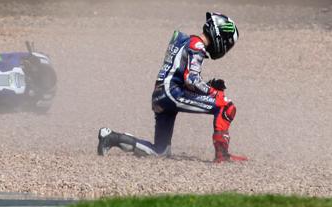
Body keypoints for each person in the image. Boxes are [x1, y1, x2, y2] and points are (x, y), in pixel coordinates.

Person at [97, 12, 247, 162]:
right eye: (227, 43)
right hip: (171, 93)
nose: (226, 48)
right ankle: (222, 156)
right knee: (225, 105)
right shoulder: (197, 45)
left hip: (160, 95)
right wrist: (213, 91)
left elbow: (179, 75)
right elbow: (192, 80)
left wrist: (207, 85)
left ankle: (111, 138)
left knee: (160, 152)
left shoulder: (186, 41)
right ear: (219, 34)